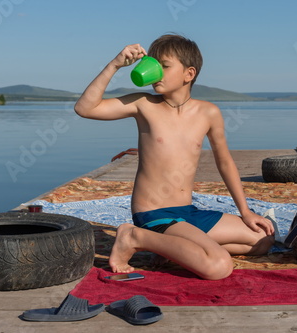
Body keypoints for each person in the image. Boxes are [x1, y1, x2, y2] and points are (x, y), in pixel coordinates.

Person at [75, 34, 274, 280]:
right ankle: (134, 236)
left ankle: (170, 248)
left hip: (188, 212)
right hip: (154, 213)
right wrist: (115, 64)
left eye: (164, 67)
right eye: (153, 65)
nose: (155, 73)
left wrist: (245, 211)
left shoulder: (208, 112)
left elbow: (224, 162)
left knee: (263, 239)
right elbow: (85, 108)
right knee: (219, 266)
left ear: (188, 74)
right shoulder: (144, 104)